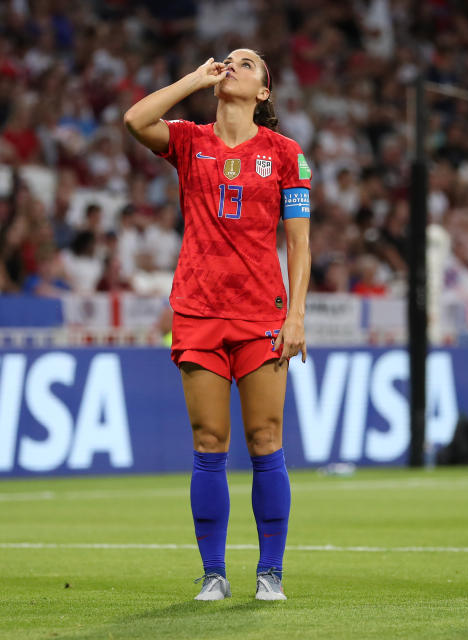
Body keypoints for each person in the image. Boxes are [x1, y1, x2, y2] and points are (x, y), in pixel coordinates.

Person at [124, 49, 311, 602]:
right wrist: (191, 79)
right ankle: (213, 574)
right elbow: (135, 121)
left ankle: (270, 573)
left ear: (264, 93)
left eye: (247, 64)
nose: (233, 65)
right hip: (199, 310)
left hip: (261, 314)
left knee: (265, 440)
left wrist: (296, 313)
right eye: (227, 60)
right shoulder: (188, 140)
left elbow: (299, 243)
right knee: (209, 442)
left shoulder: (286, 155)